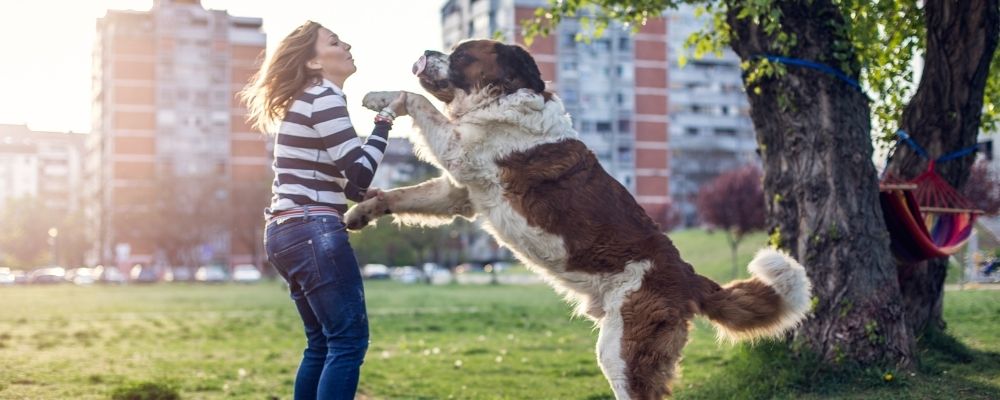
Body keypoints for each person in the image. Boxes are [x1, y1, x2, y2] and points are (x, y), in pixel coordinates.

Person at [239, 20, 405, 399]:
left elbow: (350, 183)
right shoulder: (323, 97)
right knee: (348, 342)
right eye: (334, 41)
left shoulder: (307, 99)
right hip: (312, 231)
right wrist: (386, 119)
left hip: (286, 232)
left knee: (321, 344)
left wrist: (357, 191)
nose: (346, 45)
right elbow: (359, 173)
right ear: (314, 63)